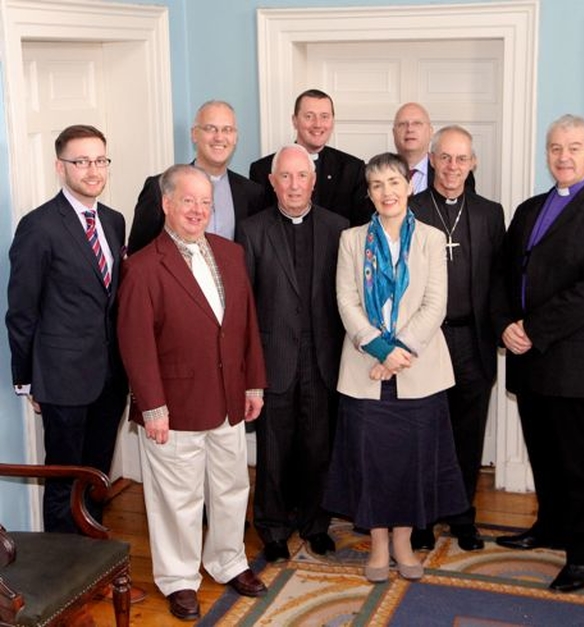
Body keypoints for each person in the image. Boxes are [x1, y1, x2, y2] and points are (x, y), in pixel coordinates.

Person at [117, 164, 268, 620]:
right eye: (188, 200)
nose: (198, 210)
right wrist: (152, 406)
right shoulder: (142, 267)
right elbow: (135, 342)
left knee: (231, 487)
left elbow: (246, 325)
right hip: (173, 407)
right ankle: (179, 578)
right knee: (177, 500)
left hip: (227, 399)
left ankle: (227, 561)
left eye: (206, 202)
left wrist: (254, 380)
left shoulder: (230, 253)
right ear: (167, 204)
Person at [494, 114, 584, 593]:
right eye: (555, 147)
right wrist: (506, 326)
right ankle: (549, 526)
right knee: (543, 451)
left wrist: (532, 329)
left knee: (579, 460)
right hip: (527, 355)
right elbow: (504, 277)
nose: (564, 156)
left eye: (574, 147)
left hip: (572, 358)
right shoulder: (529, 209)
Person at [323, 152, 468, 583]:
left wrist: (398, 351)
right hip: (365, 368)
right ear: (368, 193)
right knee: (372, 463)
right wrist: (380, 349)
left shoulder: (430, 236)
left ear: (409, 186)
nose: (387, 192)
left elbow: (434, 303)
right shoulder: (351, 240)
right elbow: (346, 301)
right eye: (377, 185)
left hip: (418, 371)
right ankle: (379, 544)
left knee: (412, 463)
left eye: (393, 182)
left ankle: (403, 541)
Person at [6, 124, 128, 534]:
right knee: (63, 483)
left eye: (100, 160)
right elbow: (21, 311)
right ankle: (64, 570)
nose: (93, 170)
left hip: (110, 378)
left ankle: (94, 560)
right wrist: (26, 380)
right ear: (61, 167)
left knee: (96, 478)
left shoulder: (113, 221)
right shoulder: (38, 226)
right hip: (61, 380)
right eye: (81, 161)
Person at [237, 144, 349, 563]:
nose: (294, 185)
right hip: (275, 359)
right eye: (285, 176)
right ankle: (273, 529)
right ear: (272, 181)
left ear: (314, 181)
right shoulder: (252, 230)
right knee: (275, 451)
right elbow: (245, 304)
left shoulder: (339, 228)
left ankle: (315, 524)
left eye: (301, 176)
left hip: (324, 357)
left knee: (319, 447)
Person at [409, 125, 505, 552]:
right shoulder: (410, 209)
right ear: (431, 159)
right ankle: (422, 517)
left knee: (468, 434)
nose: (452, 167)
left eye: (461, 158)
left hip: (473, 340)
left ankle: (463, 515)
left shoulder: (489, 213)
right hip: (427, 341)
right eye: (444, 157)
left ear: (473, 163)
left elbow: (500, 281)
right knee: (426, 431)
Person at [127, 100, 264, 253]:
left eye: (227, 130)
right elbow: (138, 255)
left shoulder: (253, 194)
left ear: (235, 137)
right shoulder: (159, 187)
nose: (219, 137)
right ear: (194, 134)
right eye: (210, 128)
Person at [249, 88, 371, 225]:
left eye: (324, 116)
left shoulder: (352, 169)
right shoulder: (262, 169)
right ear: (295, 121)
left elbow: (360, 228)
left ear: (332, 121)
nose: (317, 124)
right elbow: (259, 227)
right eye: (309, 116)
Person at [393, 102, 475, 194]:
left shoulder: (456, 172)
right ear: (394, 133)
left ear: (431, 132)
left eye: (417, 123)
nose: (409, 129)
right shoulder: (378, 173)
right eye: (402, 124)